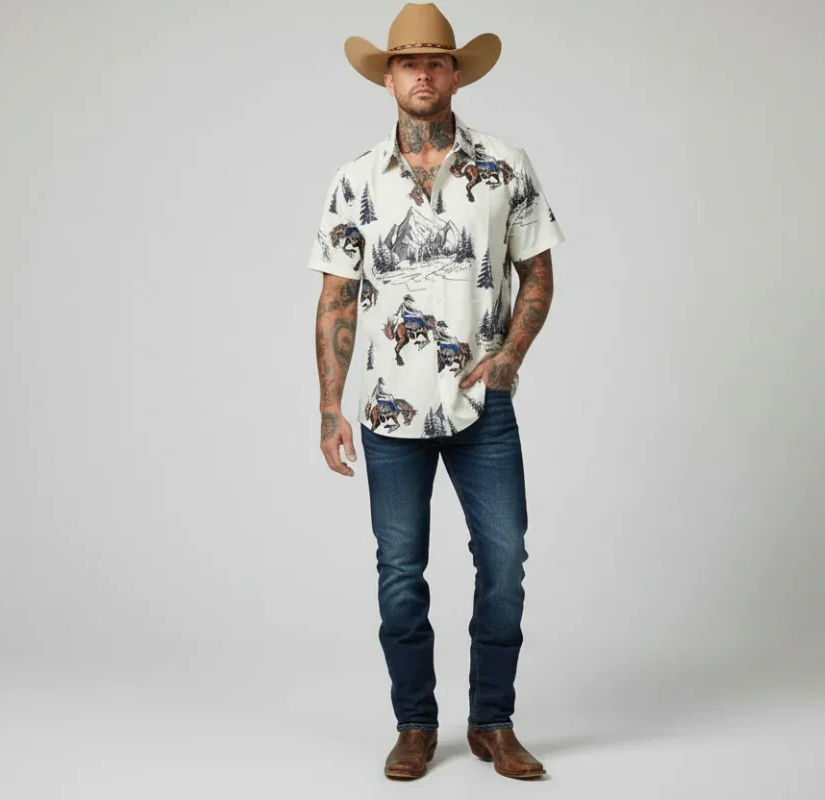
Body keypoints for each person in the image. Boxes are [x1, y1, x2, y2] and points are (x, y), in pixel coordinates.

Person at [307, 2, 563, 781]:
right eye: (408, 62)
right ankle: (415, 724)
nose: (423, 73)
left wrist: (511, 355)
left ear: (455, 75)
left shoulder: (506, 166)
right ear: (388, 79)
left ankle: (493, 722)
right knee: (399, 574)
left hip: (483, 408)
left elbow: (538, 274)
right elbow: (336, 299)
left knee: (506, 562)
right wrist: (328, 407)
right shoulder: (356, 180)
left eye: (436, 61)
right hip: (389, 412)